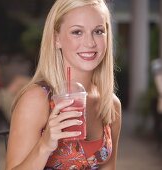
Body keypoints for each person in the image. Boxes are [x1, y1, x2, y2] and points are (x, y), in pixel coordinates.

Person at [6, 0, 121, 169]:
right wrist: (44, 146)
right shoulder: (37, 100)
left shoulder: (110, 104)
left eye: (98, 31)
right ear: (56, 39)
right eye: (77, 32)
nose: (90, 43)